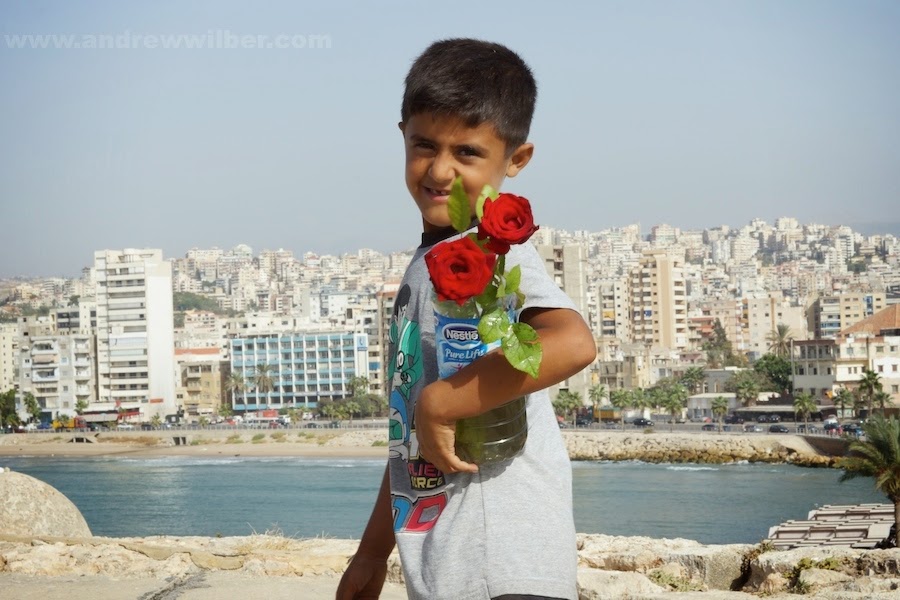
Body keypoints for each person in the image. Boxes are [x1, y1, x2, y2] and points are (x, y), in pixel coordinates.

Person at [336, 38, 596, 600]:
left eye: (468, 152)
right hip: (453, 565)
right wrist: (373, 551)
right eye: (424, 145)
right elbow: (411, 429)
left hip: (500, 561)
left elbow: (573, 342)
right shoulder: (430, 259)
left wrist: (444, 401)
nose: (440, 170)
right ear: (402, 136)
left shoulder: (492, 250)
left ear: (516, 160)